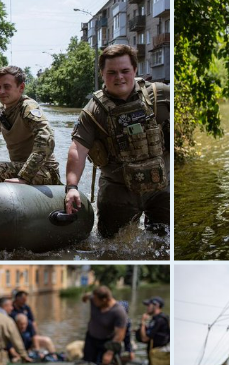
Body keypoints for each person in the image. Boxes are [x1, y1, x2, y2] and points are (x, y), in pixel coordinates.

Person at [65, 44, 170, 238]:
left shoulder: (160, 95)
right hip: (117, 192)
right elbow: (78, 149)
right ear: (102, 74)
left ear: (135, 70)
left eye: (125, 71)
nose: (119, 77)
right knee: (111, 246)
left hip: (161, 188)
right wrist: (71, 187)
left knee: (164, 242)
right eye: (112, 72)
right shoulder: (92, 112)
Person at [80, 286, 127, 365]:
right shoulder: (94, 299)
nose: (93, 301)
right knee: (87, 363)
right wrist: (84, 298)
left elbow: (120, 335)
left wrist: (109, 352)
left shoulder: (118, 312)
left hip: (107, 342)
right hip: (91, 339)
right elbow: (88, 296)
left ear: (104, 300)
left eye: (95, 300)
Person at [137, 296, 168, 365]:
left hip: (156, 355)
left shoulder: (159, 320)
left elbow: (145, 338)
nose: (147, 308)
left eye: (148, 305)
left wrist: (142, 323)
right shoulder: (157, 319)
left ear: (156, 306)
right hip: (154, 354)